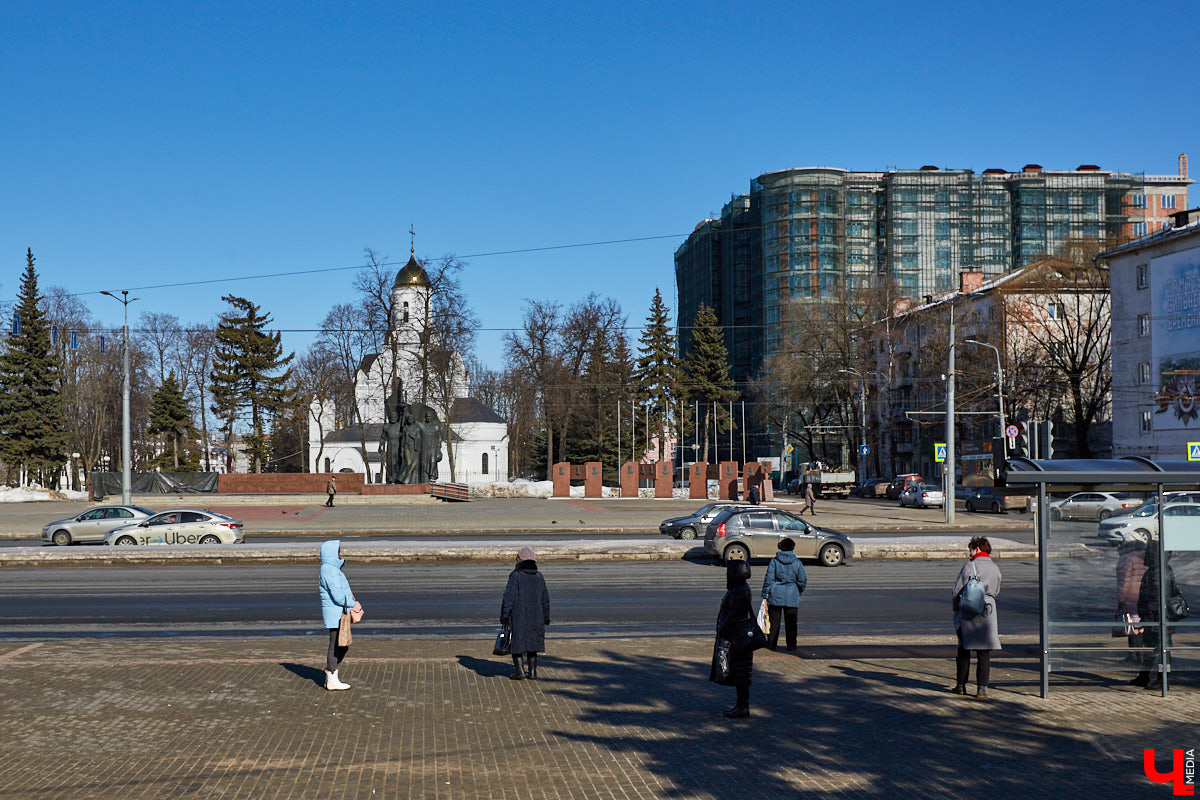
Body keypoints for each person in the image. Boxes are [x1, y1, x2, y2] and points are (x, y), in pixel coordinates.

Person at [951, 536, 1001, 699]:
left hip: (969, 610)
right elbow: (996, 590)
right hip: (988, 610)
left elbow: (957, 590)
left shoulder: (969, 566)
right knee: (984, 653)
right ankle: (981, 689)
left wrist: (955, 608)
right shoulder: (995, 568)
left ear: (977, 549)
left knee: (964, 649)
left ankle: (961, 686)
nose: (970, 552)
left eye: (971, 549)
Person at [1133, 540, 1185, 690]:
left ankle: (1163, 680)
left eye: (1148, 553)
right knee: (1153, 648)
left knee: (1161, 649)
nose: (1145, 556)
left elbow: (1156, 597)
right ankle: (1145, 676)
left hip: (1158, 618)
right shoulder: (1160, 569)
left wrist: (1148, 615)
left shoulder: (1159, 571)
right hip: (1157, 617)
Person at [710, 560, 754, 718]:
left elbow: (734, 615)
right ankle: (741, 705)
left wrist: (722, 626)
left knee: (741, 674)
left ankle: (742, 707)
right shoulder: (742, 588)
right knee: (741, 673)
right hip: (740, 637)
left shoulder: (738, 591)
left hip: (737, 638)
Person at [318, 540, 363, 690]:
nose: (339, 554)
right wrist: (352, 604)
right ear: (331, 553)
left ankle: (331, 675)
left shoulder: (330, 568)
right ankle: (331, 676)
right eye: (337, 551)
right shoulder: (329, 569)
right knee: (337, 645)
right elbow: (338, 595)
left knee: (341, 645)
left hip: (337, 612)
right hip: (336, 613)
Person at [501, 547, 550, 680]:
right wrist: (546, 617)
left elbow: (508, 597)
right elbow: (545, 598)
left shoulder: (515, 576)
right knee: (533, 643)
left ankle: (519, 671)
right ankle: (533, 672)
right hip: (537, 615)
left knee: (517, 643)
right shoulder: (539, 576)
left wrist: (505, 615)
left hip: (519, 616)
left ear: (519, 560)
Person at [761, 538, 807, 651]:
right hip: (792, 594)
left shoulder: (774, 561)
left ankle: (771, 644)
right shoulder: (797, 562)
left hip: (775, 593)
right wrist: (798, 591)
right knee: (791, 623)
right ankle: (791, 645)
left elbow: (769, 579)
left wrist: (765, 594)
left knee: (774, 622)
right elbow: (802, 580)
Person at [1115, 530, 1149, 677]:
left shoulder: (1126, 557)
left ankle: (1135, 655)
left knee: (1132, 625)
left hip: (1131, 597)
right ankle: (1139, 654)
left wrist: (1121, 600)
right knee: (1140, 625)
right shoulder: (1146, 555)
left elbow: (1124, 582)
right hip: (1144, 596)